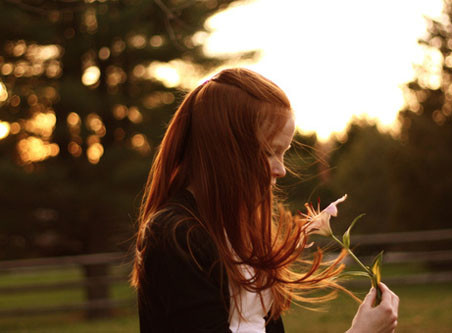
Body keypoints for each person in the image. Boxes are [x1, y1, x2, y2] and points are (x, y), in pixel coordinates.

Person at [131, 68, 399, 333]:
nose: (281, 169)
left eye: (284, 152)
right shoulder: (175, 235)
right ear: (226, 150)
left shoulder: (241, 230)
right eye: (270, 152)